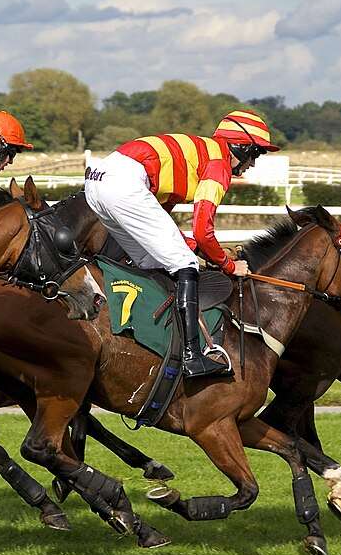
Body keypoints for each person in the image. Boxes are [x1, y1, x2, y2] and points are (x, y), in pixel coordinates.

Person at [84, 110, 279, 378]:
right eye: (255, 153)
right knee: (185, 263)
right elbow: (203, 231)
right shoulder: (218, 164)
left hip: (96, 181)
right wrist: (229, 265)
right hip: (123, 183)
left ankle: (148, 339)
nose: (253, 163)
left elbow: (161, 221)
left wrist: (193, 245)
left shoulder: (200, 155)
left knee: (151, 261)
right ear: (240, 146)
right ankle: (192, 356)